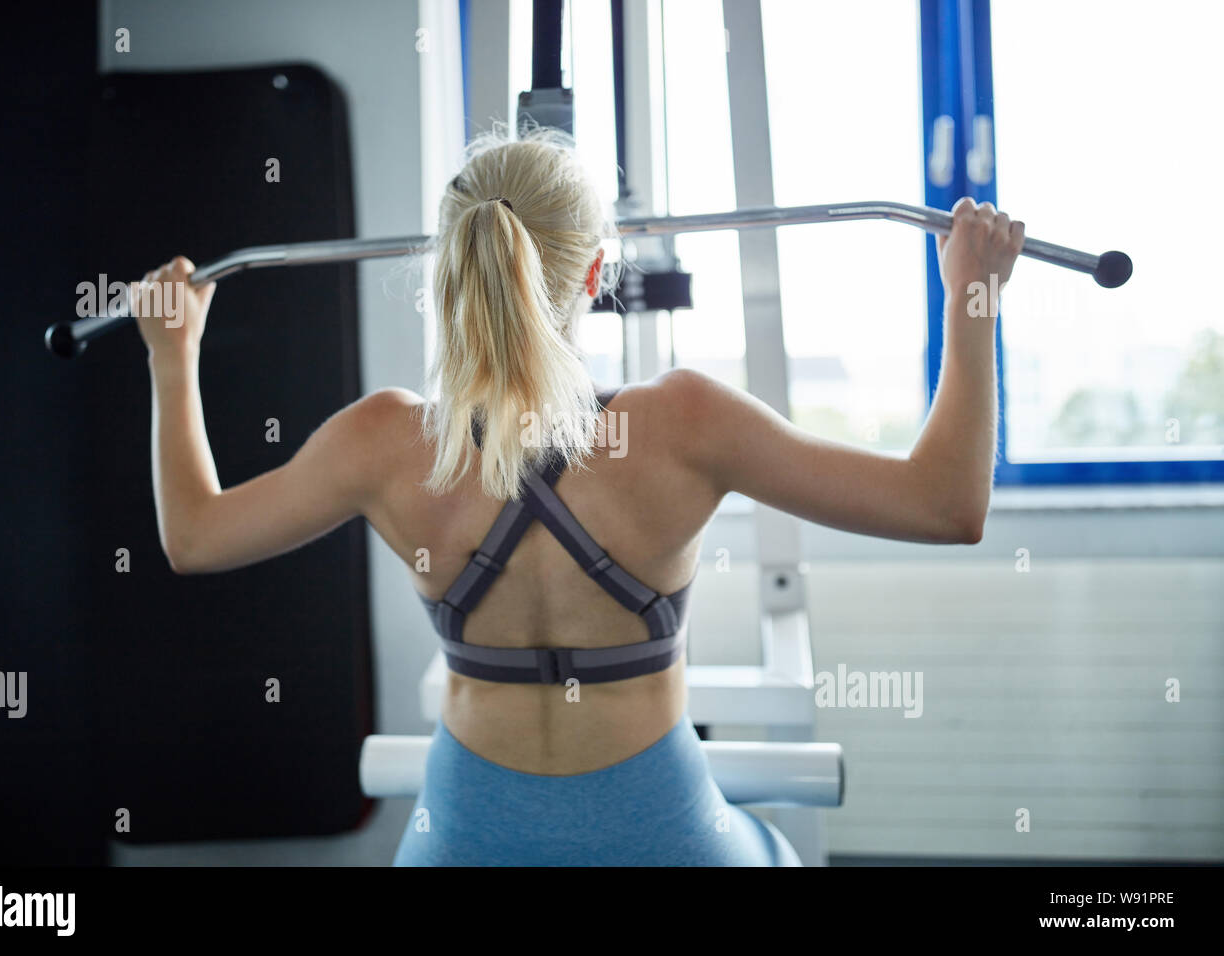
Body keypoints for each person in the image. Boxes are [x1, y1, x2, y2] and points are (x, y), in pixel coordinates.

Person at [131, 126, 1024, 866]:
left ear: (454, 269)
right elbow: (945, 505)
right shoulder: (685, 423)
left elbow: (195, 537)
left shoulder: (383, 441)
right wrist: (971, 296)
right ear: (597, 275)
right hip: (661, 833)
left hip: (464, 839)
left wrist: (172, 358)